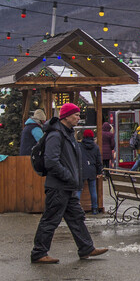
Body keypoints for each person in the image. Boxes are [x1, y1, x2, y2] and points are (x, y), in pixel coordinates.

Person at [30, 103, 108, 264]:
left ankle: (86, 247)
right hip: (59, 186)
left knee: (76, 218)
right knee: (51, 219)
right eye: (76, 115)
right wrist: (68, 176)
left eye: (79, 115)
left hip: (67, 186)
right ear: (65, 116)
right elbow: (51, 161)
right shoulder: (56, 135)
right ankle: (39, 253)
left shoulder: (67, 133)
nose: (79, 118)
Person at [78, 129, 103, 215]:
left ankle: (76, 209)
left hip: (81, 170)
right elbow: (99, 161)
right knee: (93, 190)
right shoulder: (96, 147)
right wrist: (99, 172)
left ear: (84, 136)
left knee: (79, 190)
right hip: (92, 170)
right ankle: (95, 208)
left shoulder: (80, 146)